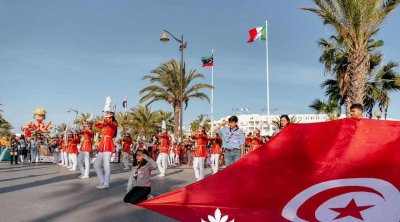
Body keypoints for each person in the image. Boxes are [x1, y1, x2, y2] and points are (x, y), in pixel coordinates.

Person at [94, 104, 118, 189]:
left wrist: (105, 115)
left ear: (111, 117)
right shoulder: (105, 125)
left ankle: (106, 183)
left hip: (108, 145)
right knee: (96, 165)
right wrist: (100, 121)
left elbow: (108, 122)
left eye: (108, 117)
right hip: (102, 145)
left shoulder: (114, 124)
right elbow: (96, 125)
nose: (106, 118)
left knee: (106, 165)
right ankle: (102, 181)